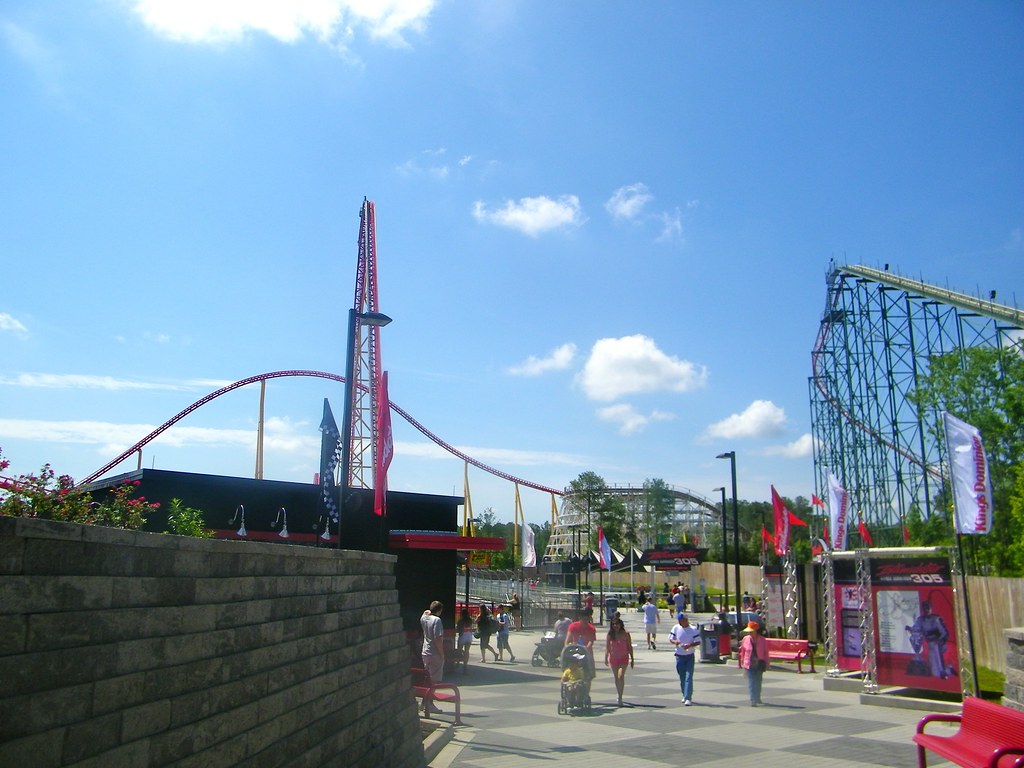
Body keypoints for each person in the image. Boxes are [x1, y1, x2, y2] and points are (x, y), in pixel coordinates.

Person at [668, 612, 700, 706]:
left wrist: (690, 645)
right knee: (682, 676)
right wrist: (675, 641)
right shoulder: (676, 627)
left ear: (686, 620)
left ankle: (688, 697)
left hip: (689, 655)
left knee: (688, 677)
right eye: (679, 620)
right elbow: (671, 638)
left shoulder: (693, 629)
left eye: (682, 620)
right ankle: (684, 694)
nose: (681, 622)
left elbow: (698, 641)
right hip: (679, 655)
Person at [420, 601, 445, 713]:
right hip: (435, 653)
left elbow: (424, 614)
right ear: (439, 610)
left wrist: (427, 612)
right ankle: (429, 703)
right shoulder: (437, 620)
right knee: (434, 680)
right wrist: (442, 654)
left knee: (426, 678)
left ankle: (424, 701)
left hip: (425, 651)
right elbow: (438, 639)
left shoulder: (424, 618)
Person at [604, 615, 634, 706]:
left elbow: (629, 646)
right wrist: (605, 657)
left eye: (617, 624)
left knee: (620, 676)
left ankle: (620, 697)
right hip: (613, 658)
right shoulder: (610, 634)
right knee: (616, 678)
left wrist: (632, 658)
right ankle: (619, 693)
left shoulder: (626, 633)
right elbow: (607, 647)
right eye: (613, 624)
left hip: (623, 658)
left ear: (620, 624)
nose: (615, 626)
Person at [737, 620, 769, 706]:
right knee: (751, 682)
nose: (749, 633)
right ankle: (753, 700)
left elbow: (766, 652)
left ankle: (757, 698)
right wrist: (742, 663)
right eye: (749, 632)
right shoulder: (745, 639)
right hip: (749, 663)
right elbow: (742, 652)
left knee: (758, 681)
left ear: (756, 631)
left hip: (759, 663)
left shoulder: (763, 640)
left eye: (751, 631)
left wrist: (767, 663)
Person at [564, 608, 597, 679]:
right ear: (580, 618)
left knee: (589, 667)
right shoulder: (573, 626)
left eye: (587, 619)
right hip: (575, 649)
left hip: (586, 650)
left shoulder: (591, 628)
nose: (585, 621)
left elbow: (591, 641)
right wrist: (567, 646)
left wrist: (587, 647)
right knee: (568, 661)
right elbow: (568, 639)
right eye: (583, 619)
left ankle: (589, 676)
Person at [456, 608, 475, 673]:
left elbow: (458, 629)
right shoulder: (470, 620)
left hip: (463, 635)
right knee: (467, 651)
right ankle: (465, 666)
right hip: (469, 635)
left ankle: (458, 662)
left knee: (459, 650)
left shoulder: (460, 621)